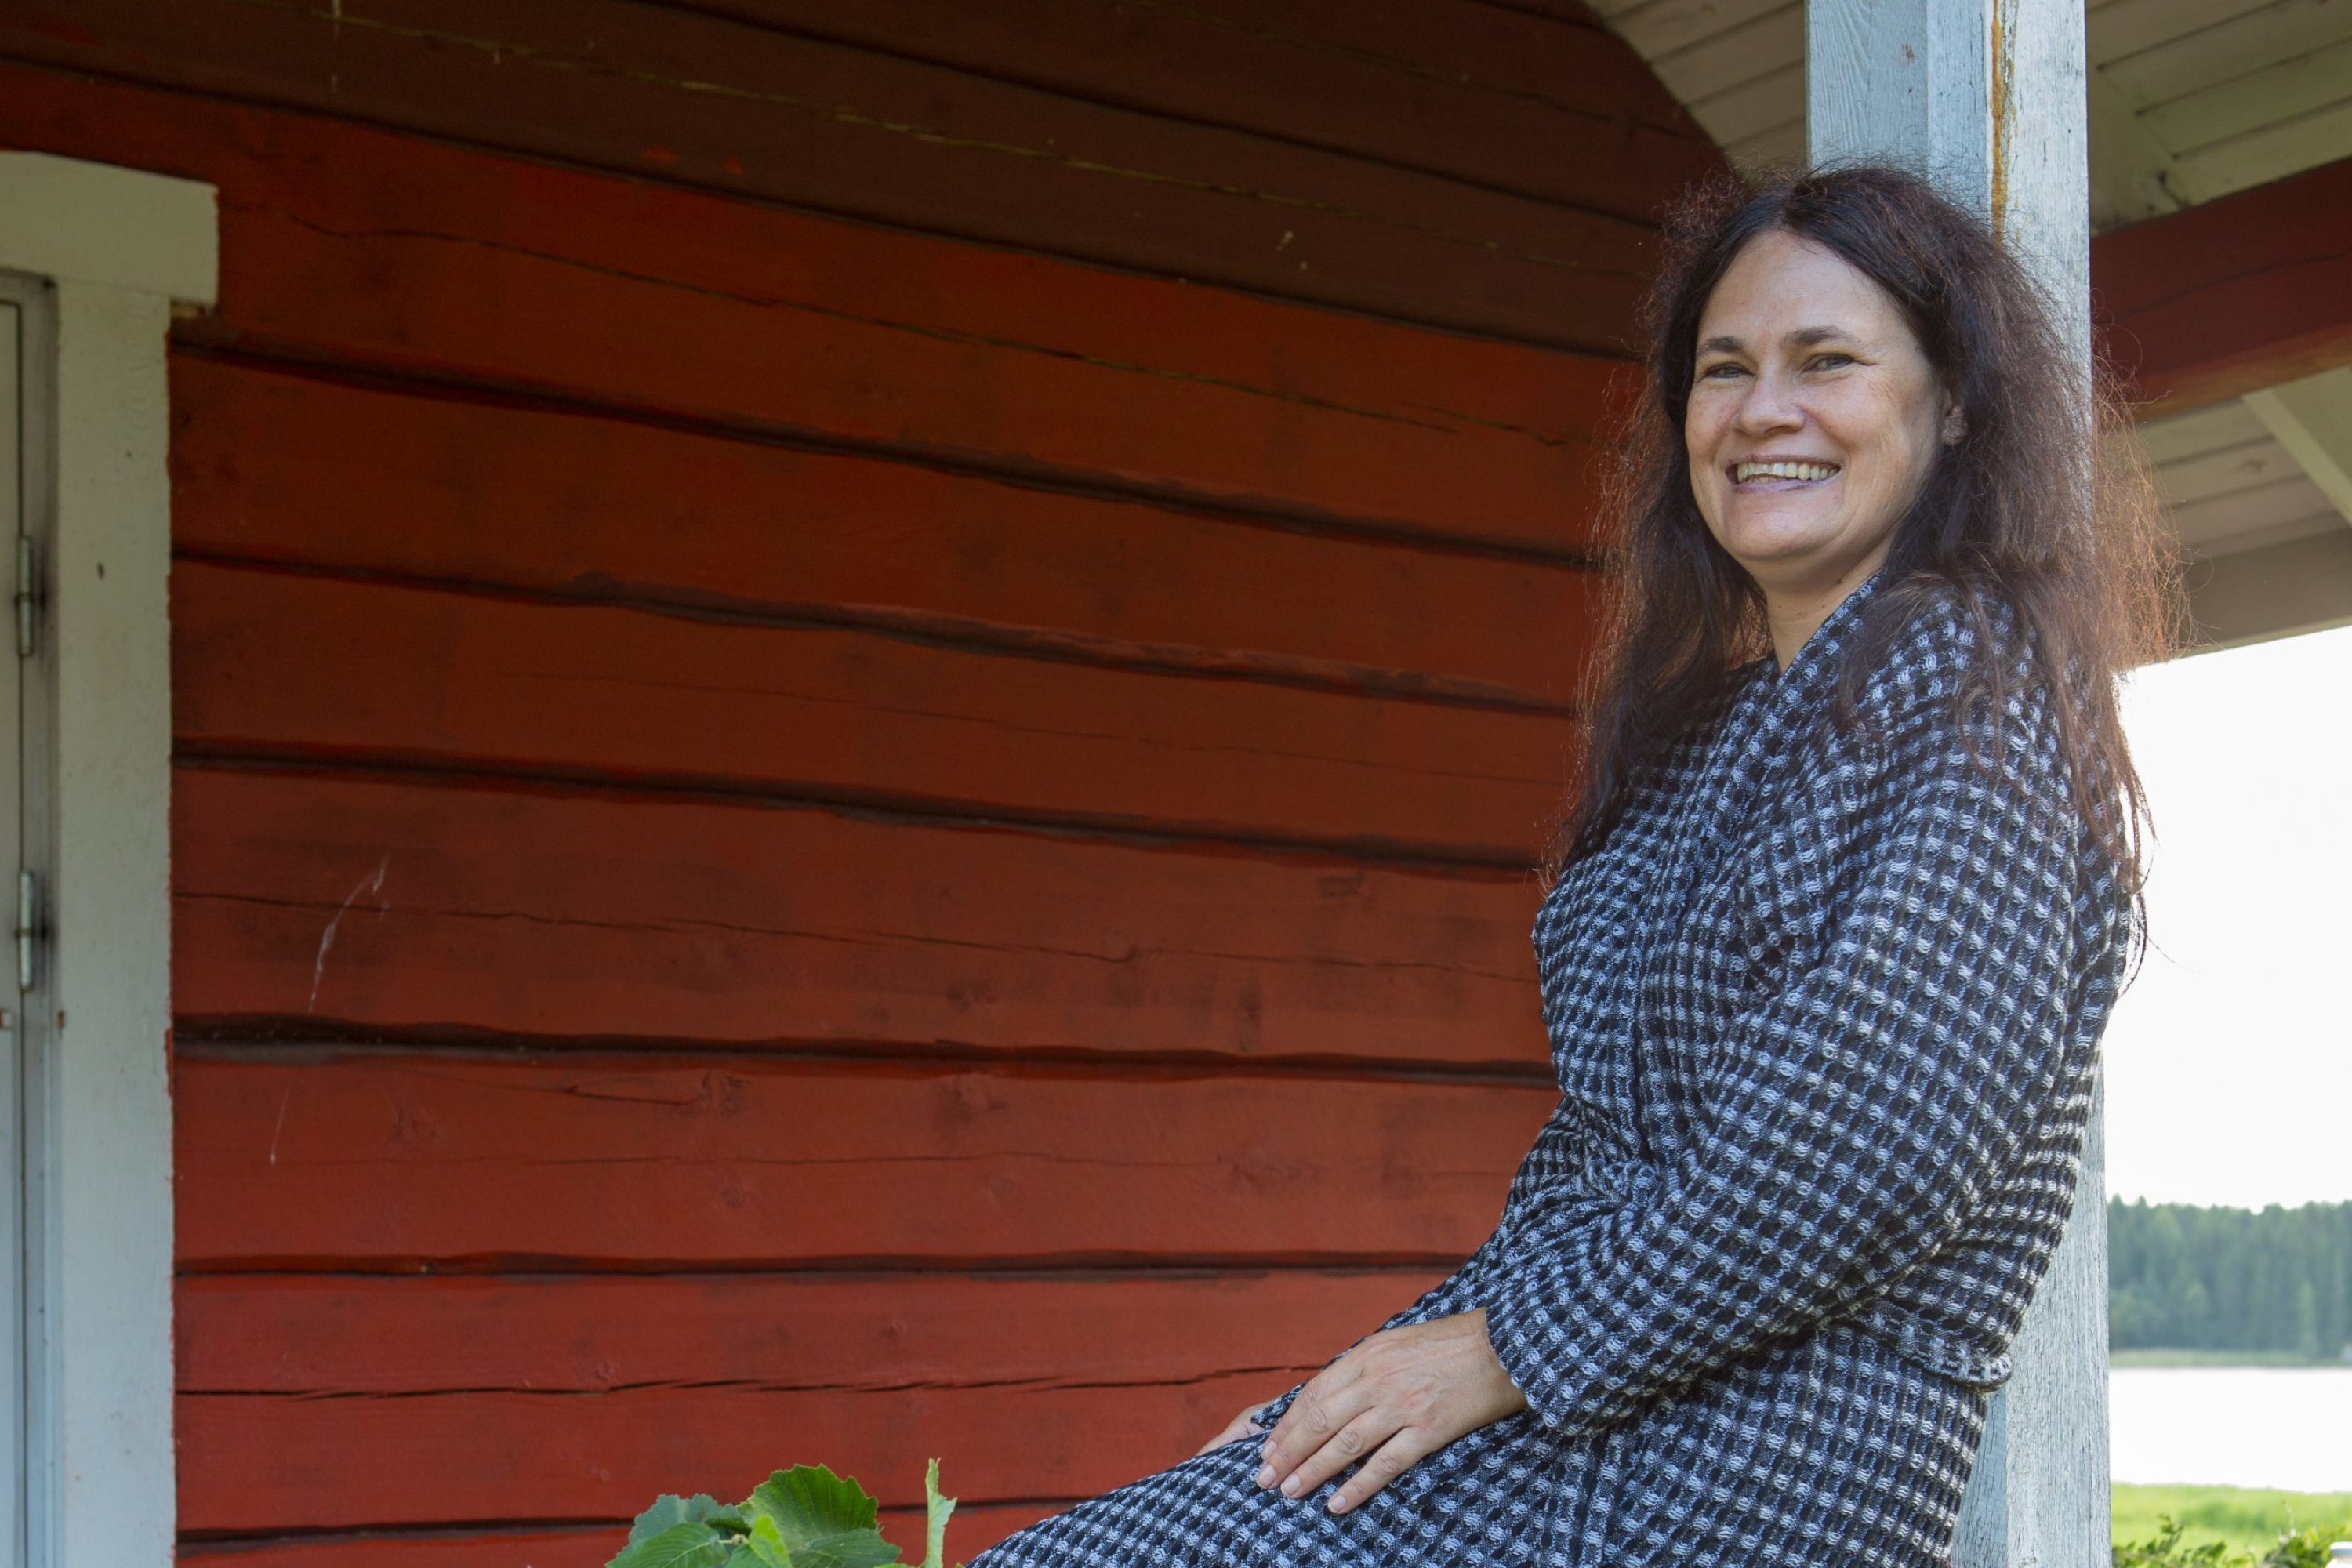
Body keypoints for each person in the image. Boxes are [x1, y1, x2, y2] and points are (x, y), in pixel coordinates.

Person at [968, 163, 2180, 1568]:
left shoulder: (1973, 688)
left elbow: (1868, 1150)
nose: (1762, 409)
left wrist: (1497, 1355)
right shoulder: (1711, 736)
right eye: (1724, 369)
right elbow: (1592, 1171)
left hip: (1751, 1468)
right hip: (1598, 1414)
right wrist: (1352, 1400)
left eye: (1826, 360)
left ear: (1956, 401)